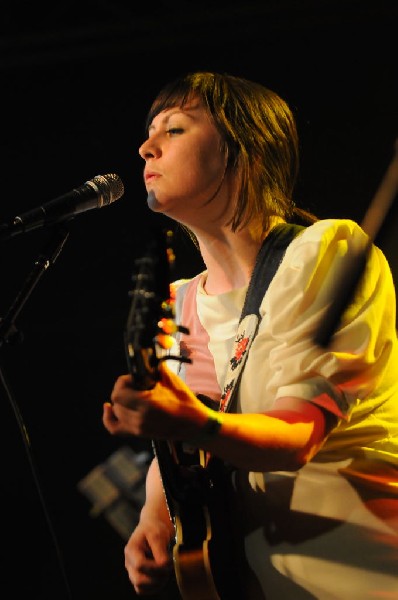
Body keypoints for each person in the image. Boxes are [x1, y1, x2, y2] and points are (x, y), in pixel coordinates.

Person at [102, 71, 398, 599]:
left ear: (246, 151)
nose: (146, 147)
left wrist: (193, 422)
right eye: (151, 132)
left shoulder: (326, 252)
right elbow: (186, 432)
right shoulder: (182, 301)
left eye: (174, 129)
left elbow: (297, 434)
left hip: (358, 568)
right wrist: (155, 516)